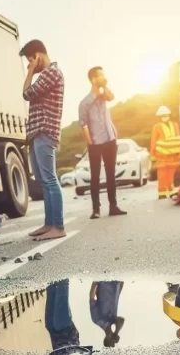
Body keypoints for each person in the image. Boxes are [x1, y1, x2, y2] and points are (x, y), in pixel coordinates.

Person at [20, 39, 66, 241]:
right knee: (43, 181)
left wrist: (29, 72)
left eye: (31, 59)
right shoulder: (47, 75)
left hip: (45, 131)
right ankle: (49, 224)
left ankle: (58, 226)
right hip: (37, 132)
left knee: (49, 179)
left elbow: (27, 93)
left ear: (38, 55)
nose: (30, 64)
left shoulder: (51, 73)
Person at [78, 66, 127, 219]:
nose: (104, 77)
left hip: (110, 140)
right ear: (93, 79)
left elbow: (112, 97)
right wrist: (90, 142)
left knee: (111, 174)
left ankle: (113, 206)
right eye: (101, 76)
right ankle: (96, 209)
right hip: (95, 143)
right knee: (95, 176)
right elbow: (82, 124)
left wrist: (104, 85)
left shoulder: (103, 96)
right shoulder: (85, 103)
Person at [150, 106, 180, 199]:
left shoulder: (175, 125)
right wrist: (153, 156)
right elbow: (153, 141)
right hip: (162, 155)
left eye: (166, 115)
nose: (164, 116)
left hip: (173, 154)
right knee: (162, 174)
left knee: (172, 173)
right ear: (160, 116)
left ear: (169, 115)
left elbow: (178, 137)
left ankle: (172, 190)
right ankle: (162, 192)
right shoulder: (156, 127)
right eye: (162, 115)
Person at [89, 281, 125, 348]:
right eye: (113, 341)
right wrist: (116, 332)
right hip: (116, 283)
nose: (113, 339)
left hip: (104, 281)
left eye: (111, 341)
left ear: (106, 339)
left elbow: (92, 299)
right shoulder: (113, 320)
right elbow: (121, 320)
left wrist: (95, 282)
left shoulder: (97, 320)